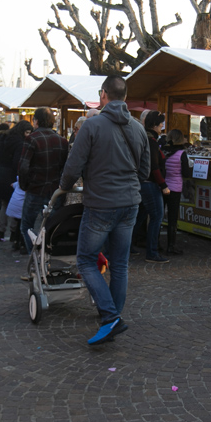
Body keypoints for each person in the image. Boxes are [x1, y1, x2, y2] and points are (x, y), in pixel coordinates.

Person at [59, 76, 149, 345]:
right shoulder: (139, 128)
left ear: (104, 95)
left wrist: (64, 187)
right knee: (120, 265)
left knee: (86, 260)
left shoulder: (91, 126)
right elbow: (143, 171)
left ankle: (111, 317)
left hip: (100, 203)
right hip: (130, 203)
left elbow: (73, 166)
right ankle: (113, 318)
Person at [18, 107, 69, 254]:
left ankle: (35, 258)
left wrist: (24, 185)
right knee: (50, 227)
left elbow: (23, 167)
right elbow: (66, 167)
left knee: (27, 226)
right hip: (55, 190)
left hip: (35, 189)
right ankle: (45, 256)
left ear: (36, 121)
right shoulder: (62, 141)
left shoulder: (32, 139)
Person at [132, 110, 170, 263]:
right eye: (161, 123)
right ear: (155, 125)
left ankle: (129, 245)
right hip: (150, 184)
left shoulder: (144, 138)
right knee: (156, 217)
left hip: (142, 183)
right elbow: (154, 167)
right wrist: (163, 185)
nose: (162, 126)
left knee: (140, 216)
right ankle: (152, 252)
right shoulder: (152, 142)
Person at [0, 121, 30, 243]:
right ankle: (14, 232)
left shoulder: (4, 138)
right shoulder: (20, 143)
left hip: (2, 173)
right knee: (16, 204)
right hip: (12, 176)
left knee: (4, 204)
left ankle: (1, 231)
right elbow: (17, 163)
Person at [161, 129, 192, 255]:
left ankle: (155, 244)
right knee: (172, 219)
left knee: (158, 217)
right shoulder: (181, 154)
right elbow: (186, 173)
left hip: (163, 186)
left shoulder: (163, 151)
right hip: (175, 188)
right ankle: (171, 245)